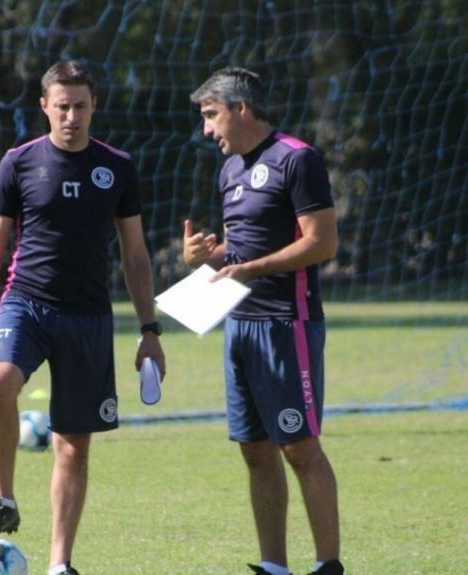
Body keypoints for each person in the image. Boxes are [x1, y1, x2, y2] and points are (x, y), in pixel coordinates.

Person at [0, 60, 166, 575]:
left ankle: (59, 564)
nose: (70, 116)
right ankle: (3, 497)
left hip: (89, 316)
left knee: (72, 444)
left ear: (94, 106)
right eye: (61, 106)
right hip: (25, 302)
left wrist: (149, 330)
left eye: (80, 105)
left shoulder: (117, 166)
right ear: (44, 107)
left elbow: (135, 254)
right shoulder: (19, 162)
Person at [184, 68, 344, 575]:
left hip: (286, 321)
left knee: (298, 445)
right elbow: (240, 249)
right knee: (253, 449)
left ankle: (328, 565)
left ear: (241, 109)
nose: (208, 130)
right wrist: (205, 257)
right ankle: (274, 566)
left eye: (212, 116)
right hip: (239, 322)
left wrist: (253, 267)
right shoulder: (229, 168)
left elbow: (322, 242)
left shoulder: (297, 159)